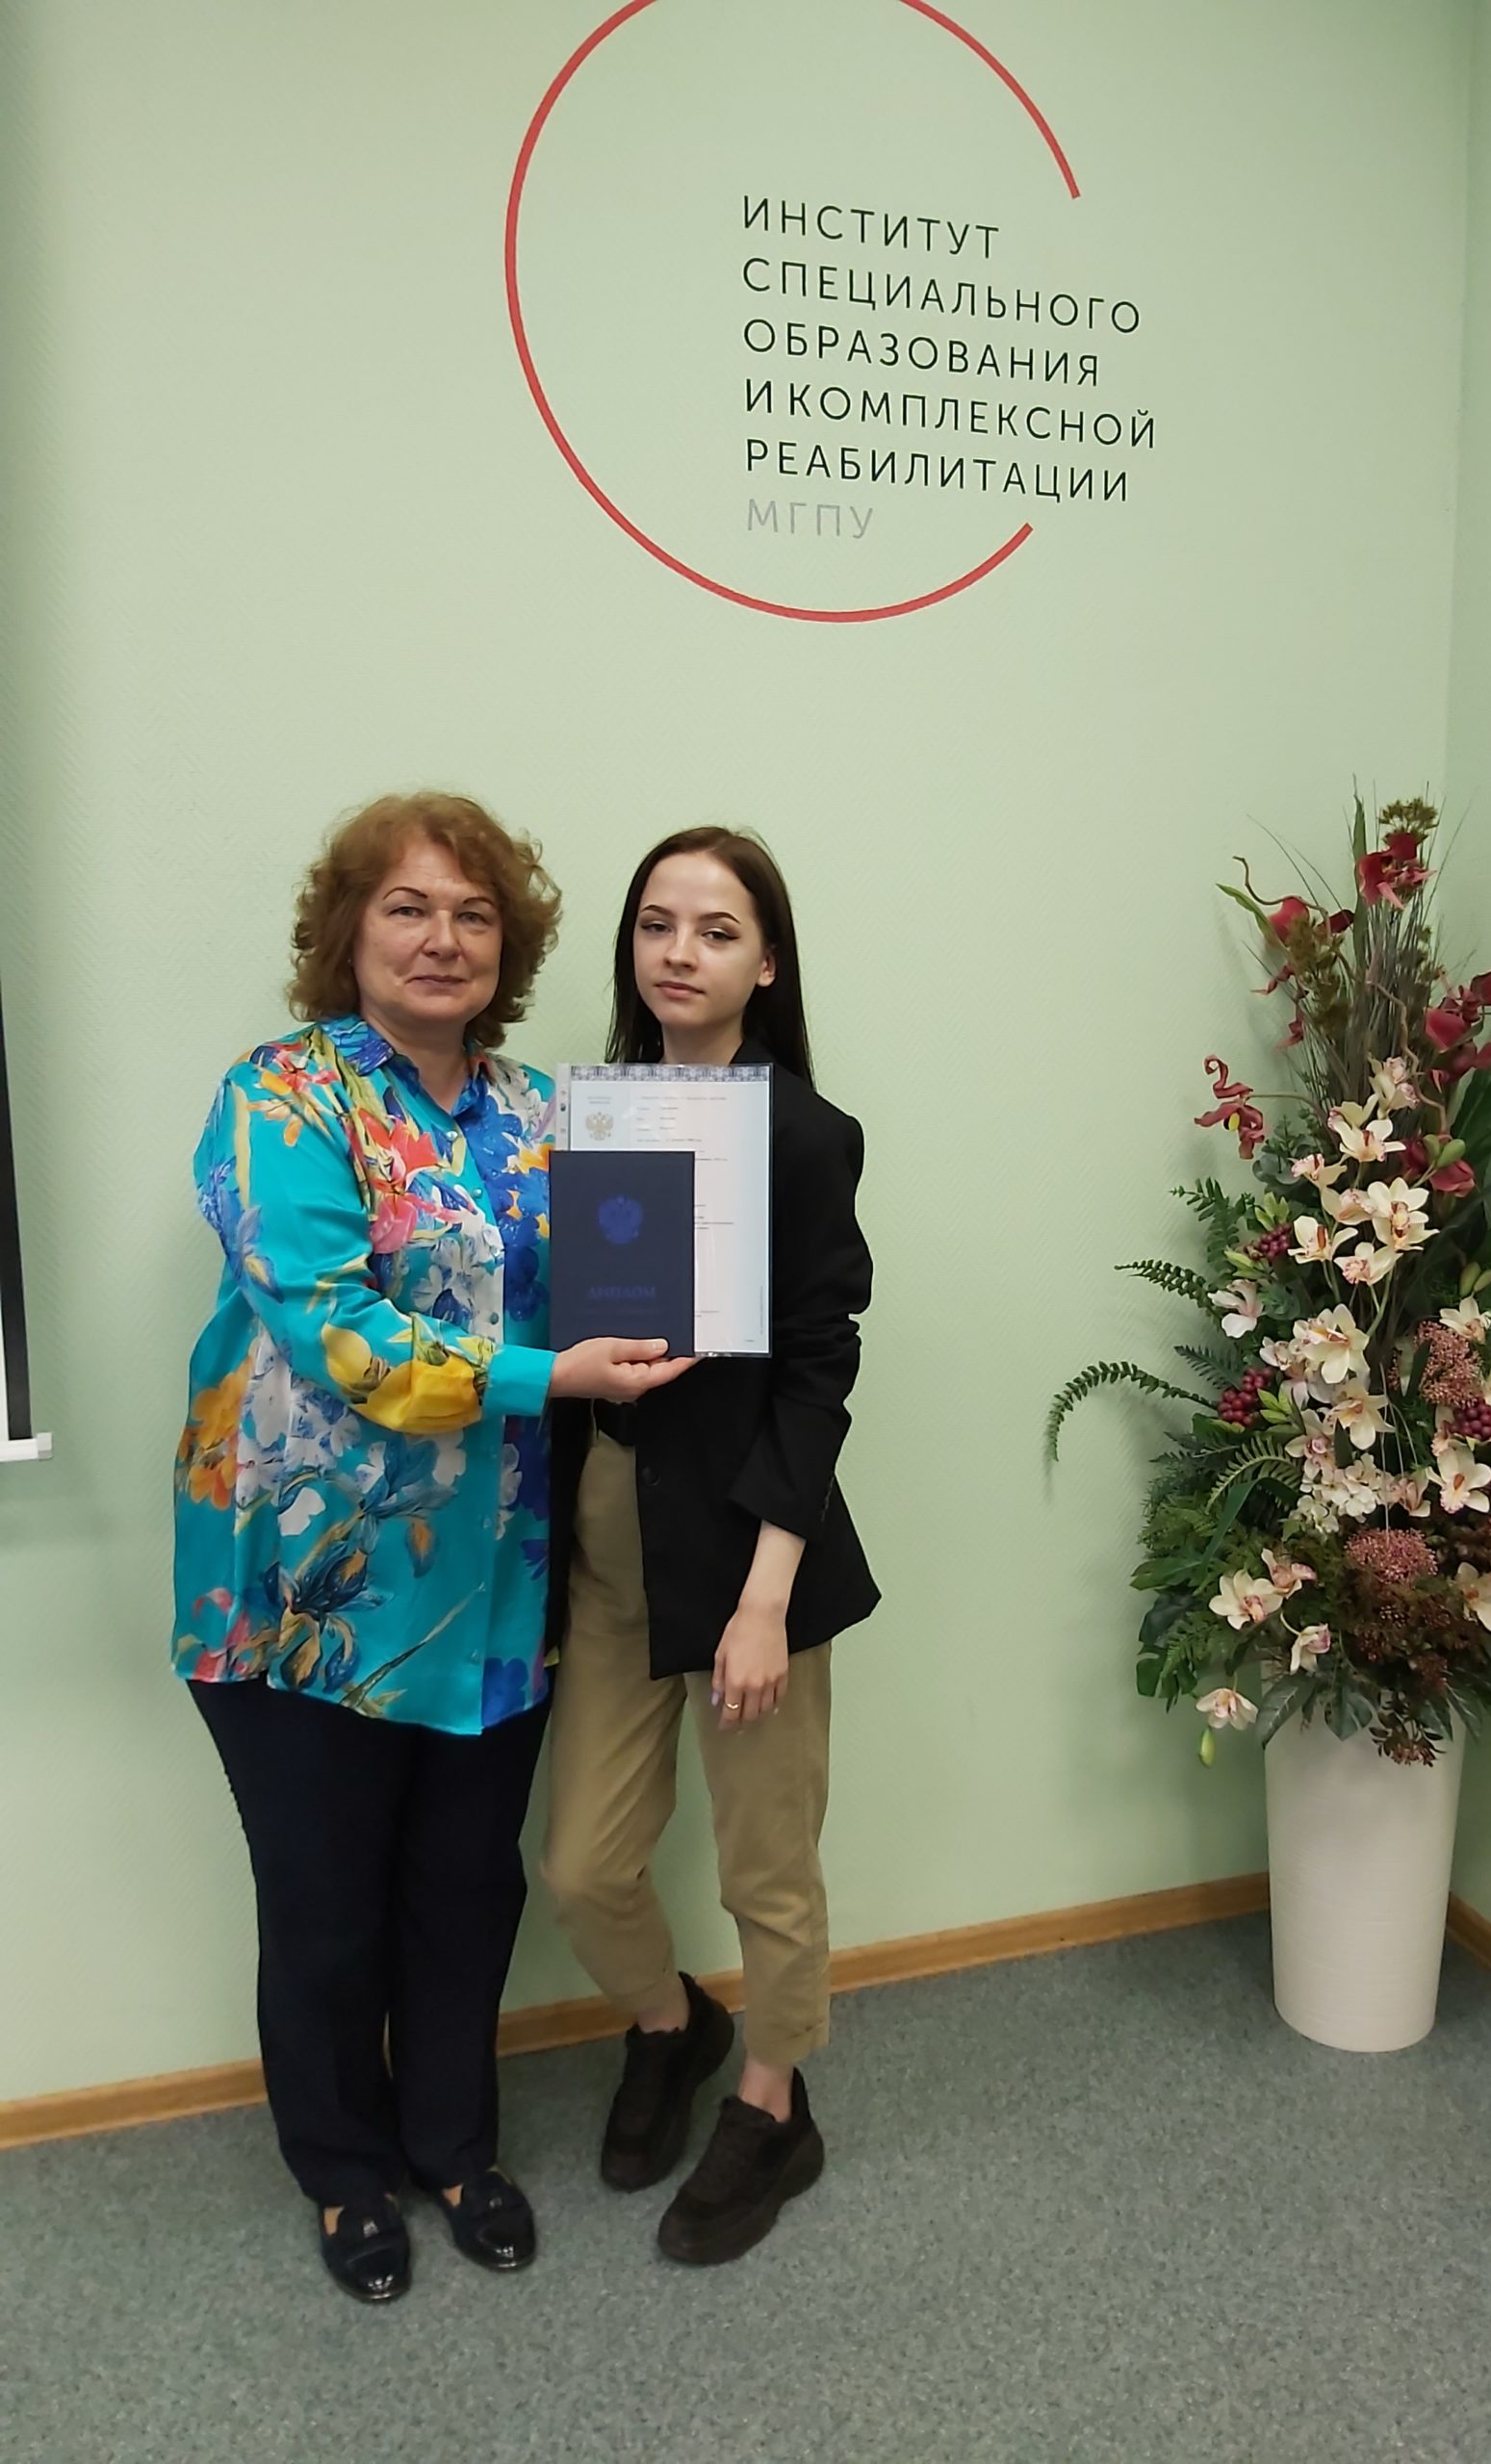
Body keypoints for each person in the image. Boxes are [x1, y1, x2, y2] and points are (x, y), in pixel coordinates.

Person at [172, 791, 691, 2304]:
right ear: (348, 932)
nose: (443, 938)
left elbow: (640, 1296)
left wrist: (701, 1252)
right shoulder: (280, 1097)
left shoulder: (548, 1114)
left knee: (468, 1888)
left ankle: (455, 2146)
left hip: (498, 1587)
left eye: (474, 914)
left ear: (508, 947)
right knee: (326, 1909)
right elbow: (338, 1335)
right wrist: (556, 1374)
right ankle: (344, 2174)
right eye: (407, 907)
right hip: (301, 1593)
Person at [543, 826, 878, 2267]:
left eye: (717, 929)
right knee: (582, 1868)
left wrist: (765, 1602)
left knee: (766, 1869)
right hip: (613, 1535)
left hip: (752, 1552)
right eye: (656, 924)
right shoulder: (593, 1116)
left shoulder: (803, 1134)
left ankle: (772, 2100)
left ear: (768, 964)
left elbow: (818, 1371)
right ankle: (671, 2025)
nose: (679, 953)